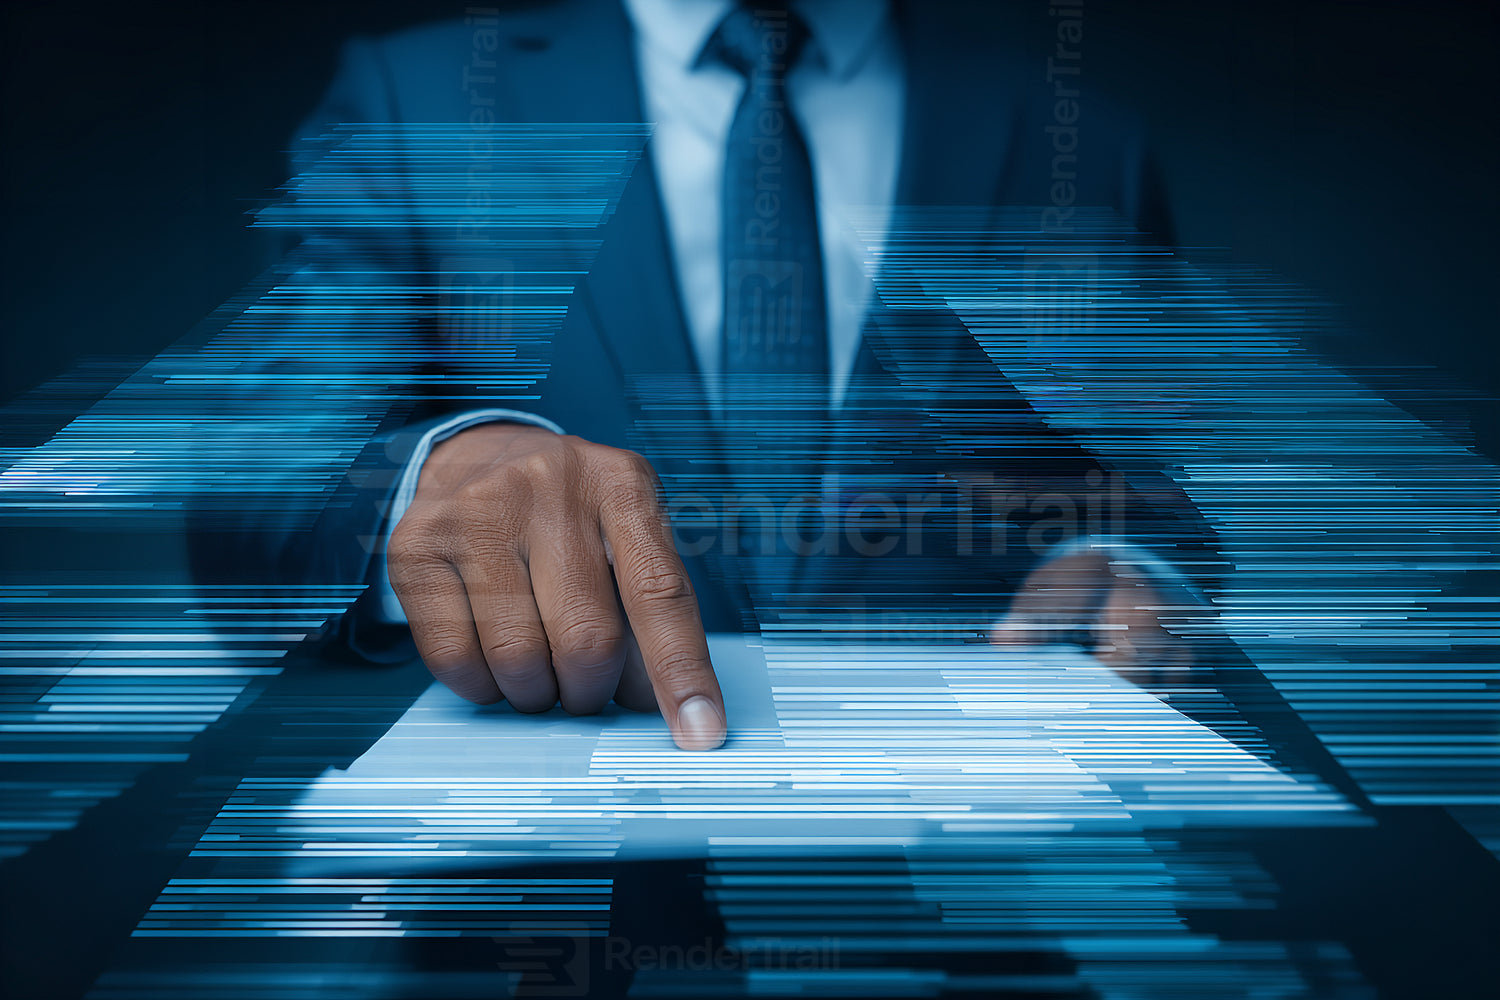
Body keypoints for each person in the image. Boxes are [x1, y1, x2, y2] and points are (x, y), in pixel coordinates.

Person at [203, 0, 1226, 753]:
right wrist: (434, 479)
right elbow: (257, 487)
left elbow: (1154, 489)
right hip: (540, 896)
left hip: (975, 885)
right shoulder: (415, 99)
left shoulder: (1080, 137)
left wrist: (1130, 563)